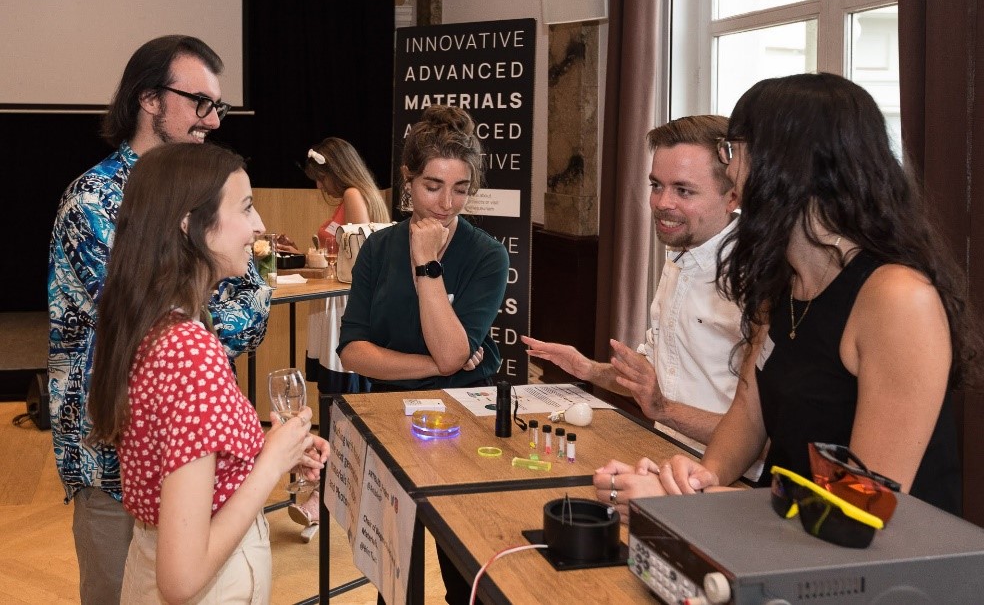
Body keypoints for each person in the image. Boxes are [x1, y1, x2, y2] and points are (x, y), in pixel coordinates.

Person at [598, 73, 979, 518]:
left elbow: (861, 508)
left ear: (787, 164)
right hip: (784, 544)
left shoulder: (897, 298)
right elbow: (749, 413)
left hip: (883, 572)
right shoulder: (782, 279)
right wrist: (701, 477)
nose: (730, 169)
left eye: (733, 150)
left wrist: (687, 502)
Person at [47, 35, 271, 604]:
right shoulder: (93, 202)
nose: (213, 120)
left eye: (218, 106)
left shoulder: (207, 190)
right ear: (150, 99)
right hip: (114, 469)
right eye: (201, 102)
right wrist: (209, 318)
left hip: (188, 464)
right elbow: (158, 326)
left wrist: (211, 314)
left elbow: (249, 313)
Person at [86, 142, 327, 603]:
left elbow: (180, 458)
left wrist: (267, 450)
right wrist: (272, 461)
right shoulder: (189, 351)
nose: (259, 226)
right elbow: (182, 578)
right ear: (188, 221)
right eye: (246, 207)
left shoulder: (154, 321)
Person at [338, 105, 509, 604]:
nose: (446, 203)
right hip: (388, 415)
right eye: (433, 185)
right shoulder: (376, 248)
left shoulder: (486, 256)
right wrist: (438, 365)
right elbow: (353, 350)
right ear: (407, 179)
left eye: (460, 188)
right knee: (392, 565)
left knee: (462, 565)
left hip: (461, 422)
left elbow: (455, 352)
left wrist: (427, 264)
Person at [523, 115, 741, 446]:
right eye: (657, 186)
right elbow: (654, 377)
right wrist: (588, 370)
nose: (663, 203)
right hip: (668, 458)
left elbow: (762, 434)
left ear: (733, 196)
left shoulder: (757, 280)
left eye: (683, 190)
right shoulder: (680, 255)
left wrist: (664, 410)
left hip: (729, 482)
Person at [288, 137, 391, 538]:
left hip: (345, 313)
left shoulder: (352, 194)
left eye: (319, 178)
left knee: (339, 405)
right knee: (340, 403)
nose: (318, 187)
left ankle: (324, 494)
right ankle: (332, 488)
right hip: (337, 309)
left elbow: (359, 255)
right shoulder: (357, 193)